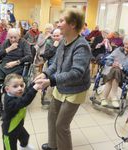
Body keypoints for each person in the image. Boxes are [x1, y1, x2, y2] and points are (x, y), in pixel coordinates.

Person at [34, 8, 92, 150]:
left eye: (61, 21)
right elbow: (56, 64)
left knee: (61, 125)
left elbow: (76, 73)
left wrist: (52, 81)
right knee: (52, 116)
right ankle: (53, 146)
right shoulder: (62, 42)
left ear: (72, 24)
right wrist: (46, 74)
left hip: (75, 90)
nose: (58, 24)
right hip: (61, 86)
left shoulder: (82, 46)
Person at [0, 28, 32, 115]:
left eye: (15, 37)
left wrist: (16, 62)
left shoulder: (23, 43)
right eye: (11, 37)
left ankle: (10, 105)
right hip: (3, 67)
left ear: (19, 36)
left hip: (17, 67)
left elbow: (29, 57)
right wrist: (8, 49)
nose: (12, 39)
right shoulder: (6, 43)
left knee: (9, 85)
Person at [2, 73, 41, 150]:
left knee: (25, 137)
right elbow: (24, 101)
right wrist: (34, 89)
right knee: (10, 147)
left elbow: (25, 92)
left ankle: (24, 147)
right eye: (15, 86)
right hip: (9, 130)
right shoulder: (9, 102)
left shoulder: (16, 94)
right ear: (7, 89)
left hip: (18, 126)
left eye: (22, 85)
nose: (20, 88)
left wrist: (33, 83)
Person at [101, 35, 128, 107]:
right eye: (126, 43)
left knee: (117, 70)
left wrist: (121, 67)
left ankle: (104, 97)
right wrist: (112, 63)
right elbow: (108, 59)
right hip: (111, 72)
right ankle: (114, 97)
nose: (127, 46)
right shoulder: (118, 50)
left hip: (124, 76)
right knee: (115, 70)